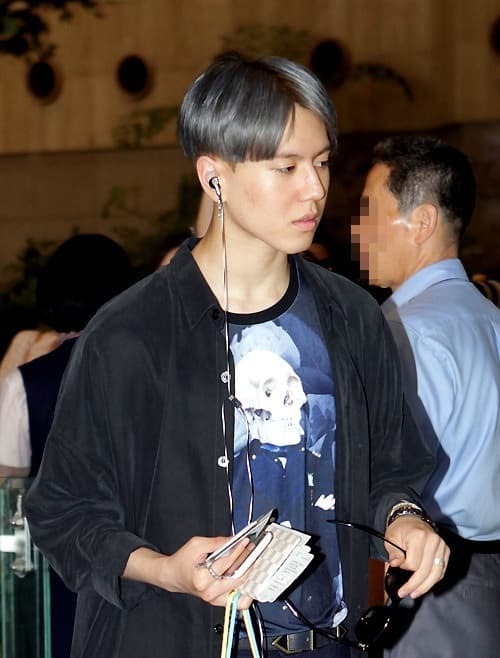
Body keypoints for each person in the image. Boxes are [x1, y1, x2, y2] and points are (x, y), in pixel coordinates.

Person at [25, 55, 448, 658]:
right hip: (175, 638)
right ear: (213, 176)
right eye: (286, 167)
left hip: (331, 641)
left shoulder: (351, 317)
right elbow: (62, 510)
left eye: (322, 162)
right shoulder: (132, 333)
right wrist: (166, 569)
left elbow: (393, 466)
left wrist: (405, 518)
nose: (316, 188)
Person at [352, 135, 500, 658]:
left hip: (425, 587)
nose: (356, 230)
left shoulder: (405, 333)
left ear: (423, 221)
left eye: (369, 212)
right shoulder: (490, 318)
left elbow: (385, 477)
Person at [0, 233, 135, 658]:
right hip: (141, 562)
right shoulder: (149, 374)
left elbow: (7, 483)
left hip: (53, 573)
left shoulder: (26, 382)